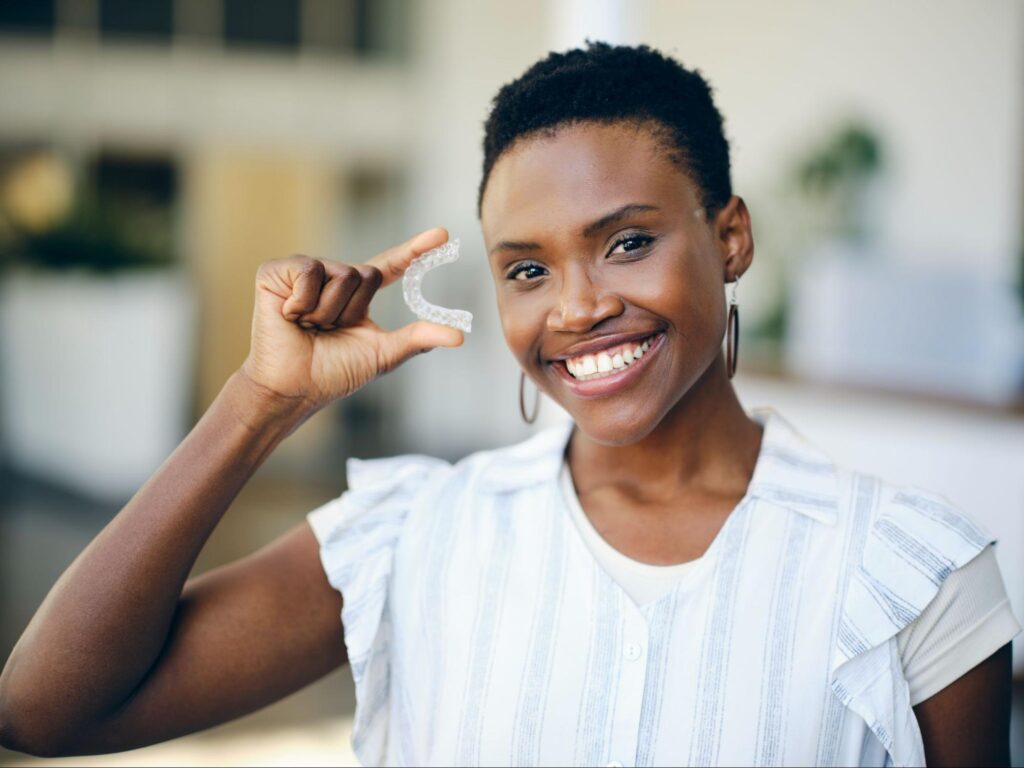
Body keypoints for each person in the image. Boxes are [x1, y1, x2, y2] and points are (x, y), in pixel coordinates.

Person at [0, 42, 1019, 767]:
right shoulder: (414, 536)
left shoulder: (914, 575)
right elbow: (43, 710)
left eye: (627, 242)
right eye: (525, 270)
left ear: (731, 238)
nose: (576, 308)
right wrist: (259, 402)